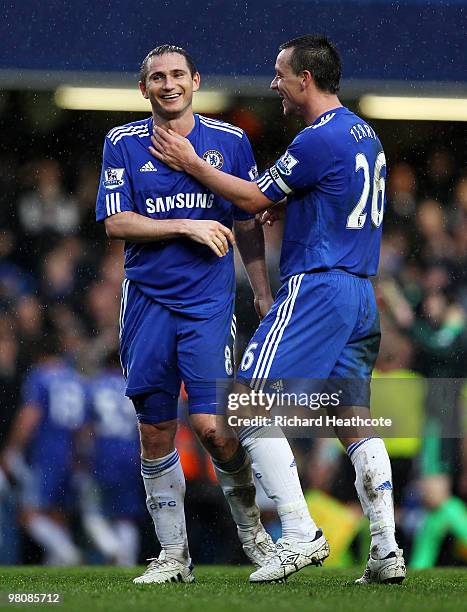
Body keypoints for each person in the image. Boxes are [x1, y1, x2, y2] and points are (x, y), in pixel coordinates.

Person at [150, 35, 406, 584]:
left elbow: (250, 198)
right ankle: (386, 549)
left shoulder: (317, 137)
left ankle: (298, 532)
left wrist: (192, 162)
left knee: (244, 403)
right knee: (351, 419)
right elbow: (333, 192)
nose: (275, 84)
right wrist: (297, 203)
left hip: (318, 285)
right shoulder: (364, 133)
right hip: (362, 292)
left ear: (305, 79)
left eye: (280, 74)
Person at [96, 44, 323, 584]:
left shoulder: (230, 141)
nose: (169, 84)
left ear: (195, 80)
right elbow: (115, 223)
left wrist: (263, 289)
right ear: (143, 88)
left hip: (208, 304)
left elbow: (248, 219)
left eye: (178, 75)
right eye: (157, 77)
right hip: (146, 301)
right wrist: (185, 226)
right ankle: (174, 557)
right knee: (155, 431)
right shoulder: (122, 143)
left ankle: (254, 538)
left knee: (215, 428)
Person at [0, 337, 87, 565]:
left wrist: (12, 448)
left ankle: (67, 553)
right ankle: (60, 565)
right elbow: (85, 426)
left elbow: (31, 415)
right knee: (59, 514)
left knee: (28, 513)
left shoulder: (40, 376)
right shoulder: (77, 379)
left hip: (46, 454)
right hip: (71, 455)